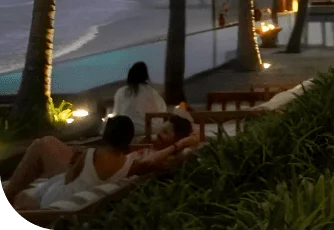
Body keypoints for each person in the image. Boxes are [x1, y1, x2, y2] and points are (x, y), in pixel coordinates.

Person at [3, 116, 199, 206]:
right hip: (95, 165)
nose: (158, 134)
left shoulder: (160, 158)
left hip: (88, 173)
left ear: (176, 139)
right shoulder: (150, 150)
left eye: (165, 132)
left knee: (42, 144)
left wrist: (180, 145)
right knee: (47, 144)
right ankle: (12, 192)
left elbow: (146, 163)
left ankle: (9, 194)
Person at [113, 62, 167, 136]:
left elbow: (117, 114)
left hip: (126, 133)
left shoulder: (121, 92)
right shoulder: (152, 93)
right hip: (150, 131)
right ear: (145, 76)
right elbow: (162, 112)